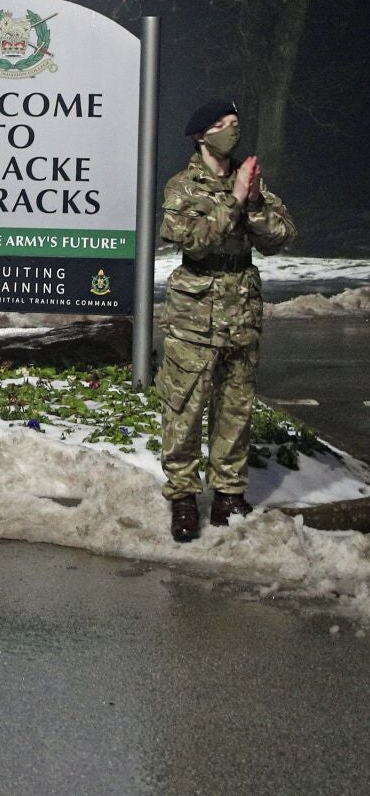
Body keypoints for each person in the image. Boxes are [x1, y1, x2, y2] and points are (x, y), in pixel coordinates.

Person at [157, 99, 296, 543]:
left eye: (235, 123)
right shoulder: (182, 186)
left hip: (241, 311)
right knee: (185, 406)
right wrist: (234, 199)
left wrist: (253, 201)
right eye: (222, 124)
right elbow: (193, 242)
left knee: (236, 407)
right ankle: (183, 496)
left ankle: (228, 495)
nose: (231, 131)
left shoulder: (252, 182)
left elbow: (280, 238)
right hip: (194, 314)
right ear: (201, 135)